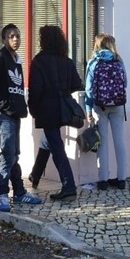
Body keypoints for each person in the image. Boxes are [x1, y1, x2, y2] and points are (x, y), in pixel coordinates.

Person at [0, 23, 43, 212]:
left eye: (17, 35)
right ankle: (2, 194)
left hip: (15, 114)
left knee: (14, 154)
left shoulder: (16, 59)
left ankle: (19, 191)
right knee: (7, 154)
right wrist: (4, 107)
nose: (16, 39)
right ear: (4, 40)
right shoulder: (0, 58)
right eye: (11, 36)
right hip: (4, 115)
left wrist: (20, 108)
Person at [28, 25, 83, 201]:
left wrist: (33, 109)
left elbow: (35, 90)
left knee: (56, 147)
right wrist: (63, 91)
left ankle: (69, 186)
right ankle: (36, 174)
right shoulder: (66, 61)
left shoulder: (39, 61)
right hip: (62, 109)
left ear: (44, 40)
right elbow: (77, 84)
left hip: (47, 109)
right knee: (49, 140)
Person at [84, 34, 128, 190]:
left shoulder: (93, 62)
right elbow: (125, 83)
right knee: (120, 142)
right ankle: (121, 179)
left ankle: (103, 180)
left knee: (102, 142)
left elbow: (88, 89)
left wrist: (88, 110)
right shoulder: (118, 60)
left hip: (99, 107)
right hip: (117, 106)